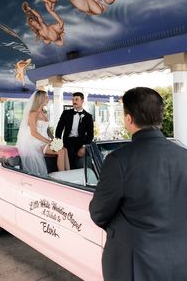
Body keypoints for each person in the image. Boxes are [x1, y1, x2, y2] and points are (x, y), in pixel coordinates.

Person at [89, 87, 187, 281]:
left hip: (136, 264)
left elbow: (98, 212)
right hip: (181, 259)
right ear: (160, 116)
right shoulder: (184, 155)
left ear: (128, 119)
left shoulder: (119, 160)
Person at [16, 90, 70, 175]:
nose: (48, 98)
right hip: (37, 143)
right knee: (61, 151)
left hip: (45, 141)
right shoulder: (33, 113)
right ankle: (62, 176)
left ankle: (69, 174)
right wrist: (49, 142)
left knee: (65, 149)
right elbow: (33, 132)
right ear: (40, 99)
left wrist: (53, 139)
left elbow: (47, 130)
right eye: (46, 97)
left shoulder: (44, 112)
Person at [55, 92, 94, 169]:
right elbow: (59, 129)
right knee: (69, 162)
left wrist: (84, 147)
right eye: (73, 99)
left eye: (76, 99)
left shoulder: (88, 116)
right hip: (68, 142)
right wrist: (58, 144)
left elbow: (90, 134)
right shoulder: (66, 113)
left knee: (82, 163)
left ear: (82, 101)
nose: (74, 101)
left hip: (81, 143)